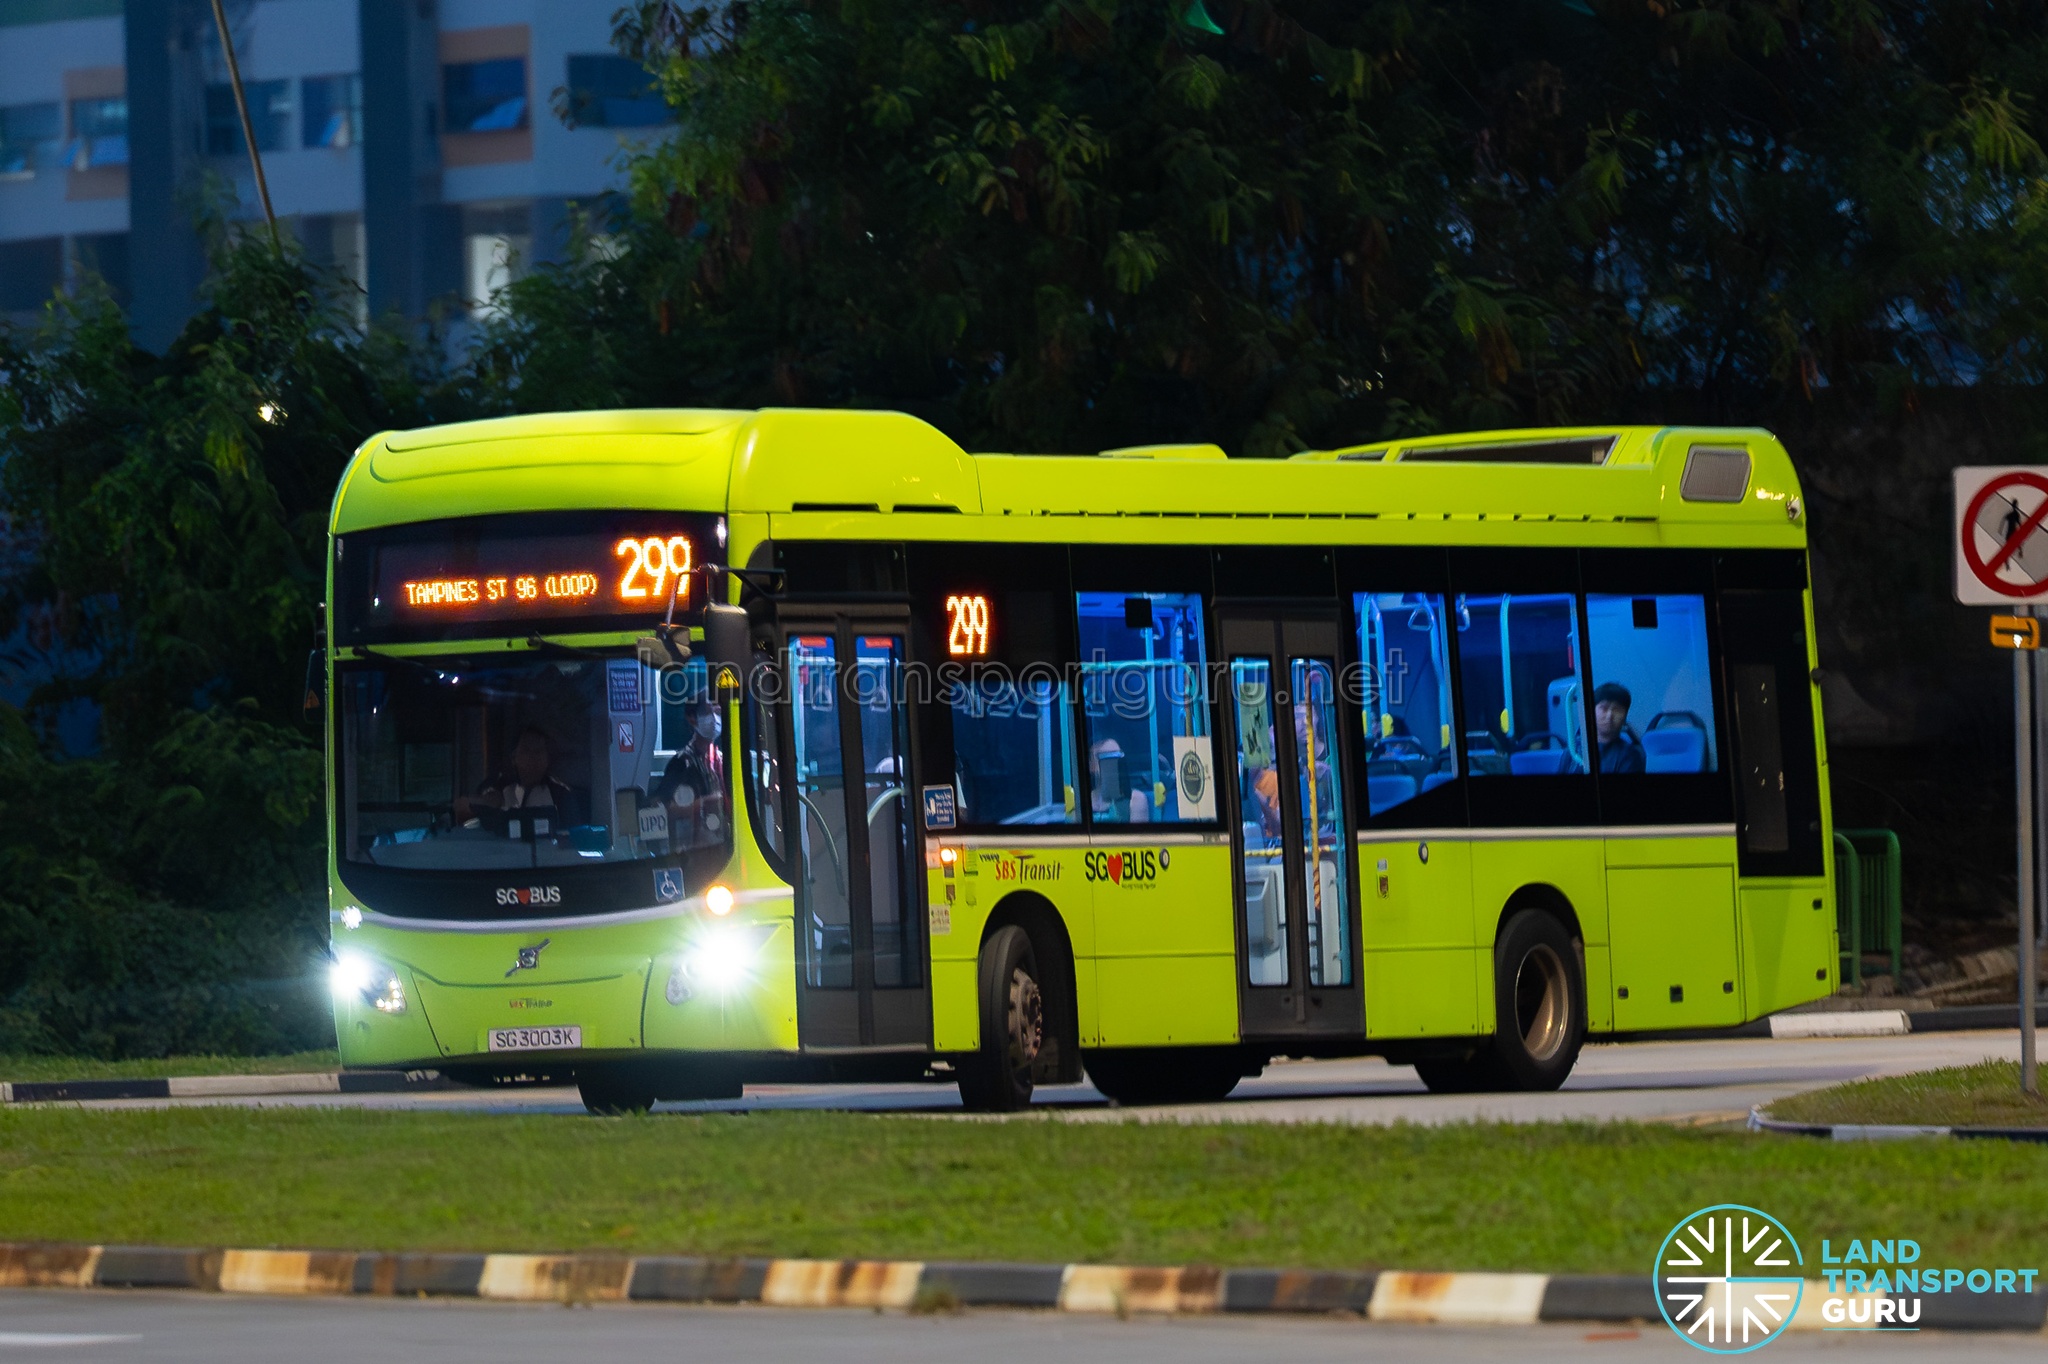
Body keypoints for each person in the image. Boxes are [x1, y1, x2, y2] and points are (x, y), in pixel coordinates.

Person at [455, 725, 575, 831]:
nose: (532, 756)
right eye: (526, 750)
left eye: (539, 751)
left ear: (548, 758)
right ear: (514, 757)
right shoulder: (499, 785)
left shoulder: (560, 793)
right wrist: (478, 803)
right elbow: (483, 802)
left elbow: (571, 834)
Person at [652, 699, 728, 846]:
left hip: (721, 842)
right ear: (692, 719)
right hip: (693, 846)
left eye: (718, 712)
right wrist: (704, 804)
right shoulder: (682, 762)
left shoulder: (720, 760)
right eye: (707, 712)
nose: (714, 719)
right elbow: (663, 808)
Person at [1593, 682, 1646, 775]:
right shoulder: (1575, 750)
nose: (1609, 716)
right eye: (1604, 708)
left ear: (1625, 716)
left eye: (1617, 710)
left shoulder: (1630, 755)